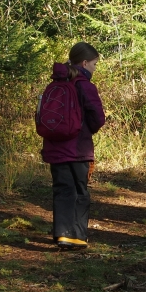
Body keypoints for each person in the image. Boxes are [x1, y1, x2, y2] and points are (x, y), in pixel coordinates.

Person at [40, 42, 106, 250]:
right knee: (79, 190)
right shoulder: (85, 85)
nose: (95, 68)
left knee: (61, 190)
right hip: (78, 148)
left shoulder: (55, 83)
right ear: (85, 62)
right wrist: (89, 129)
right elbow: (98, 117)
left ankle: (61, 234)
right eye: (94, 64)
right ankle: (76, 236)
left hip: (54, 147)